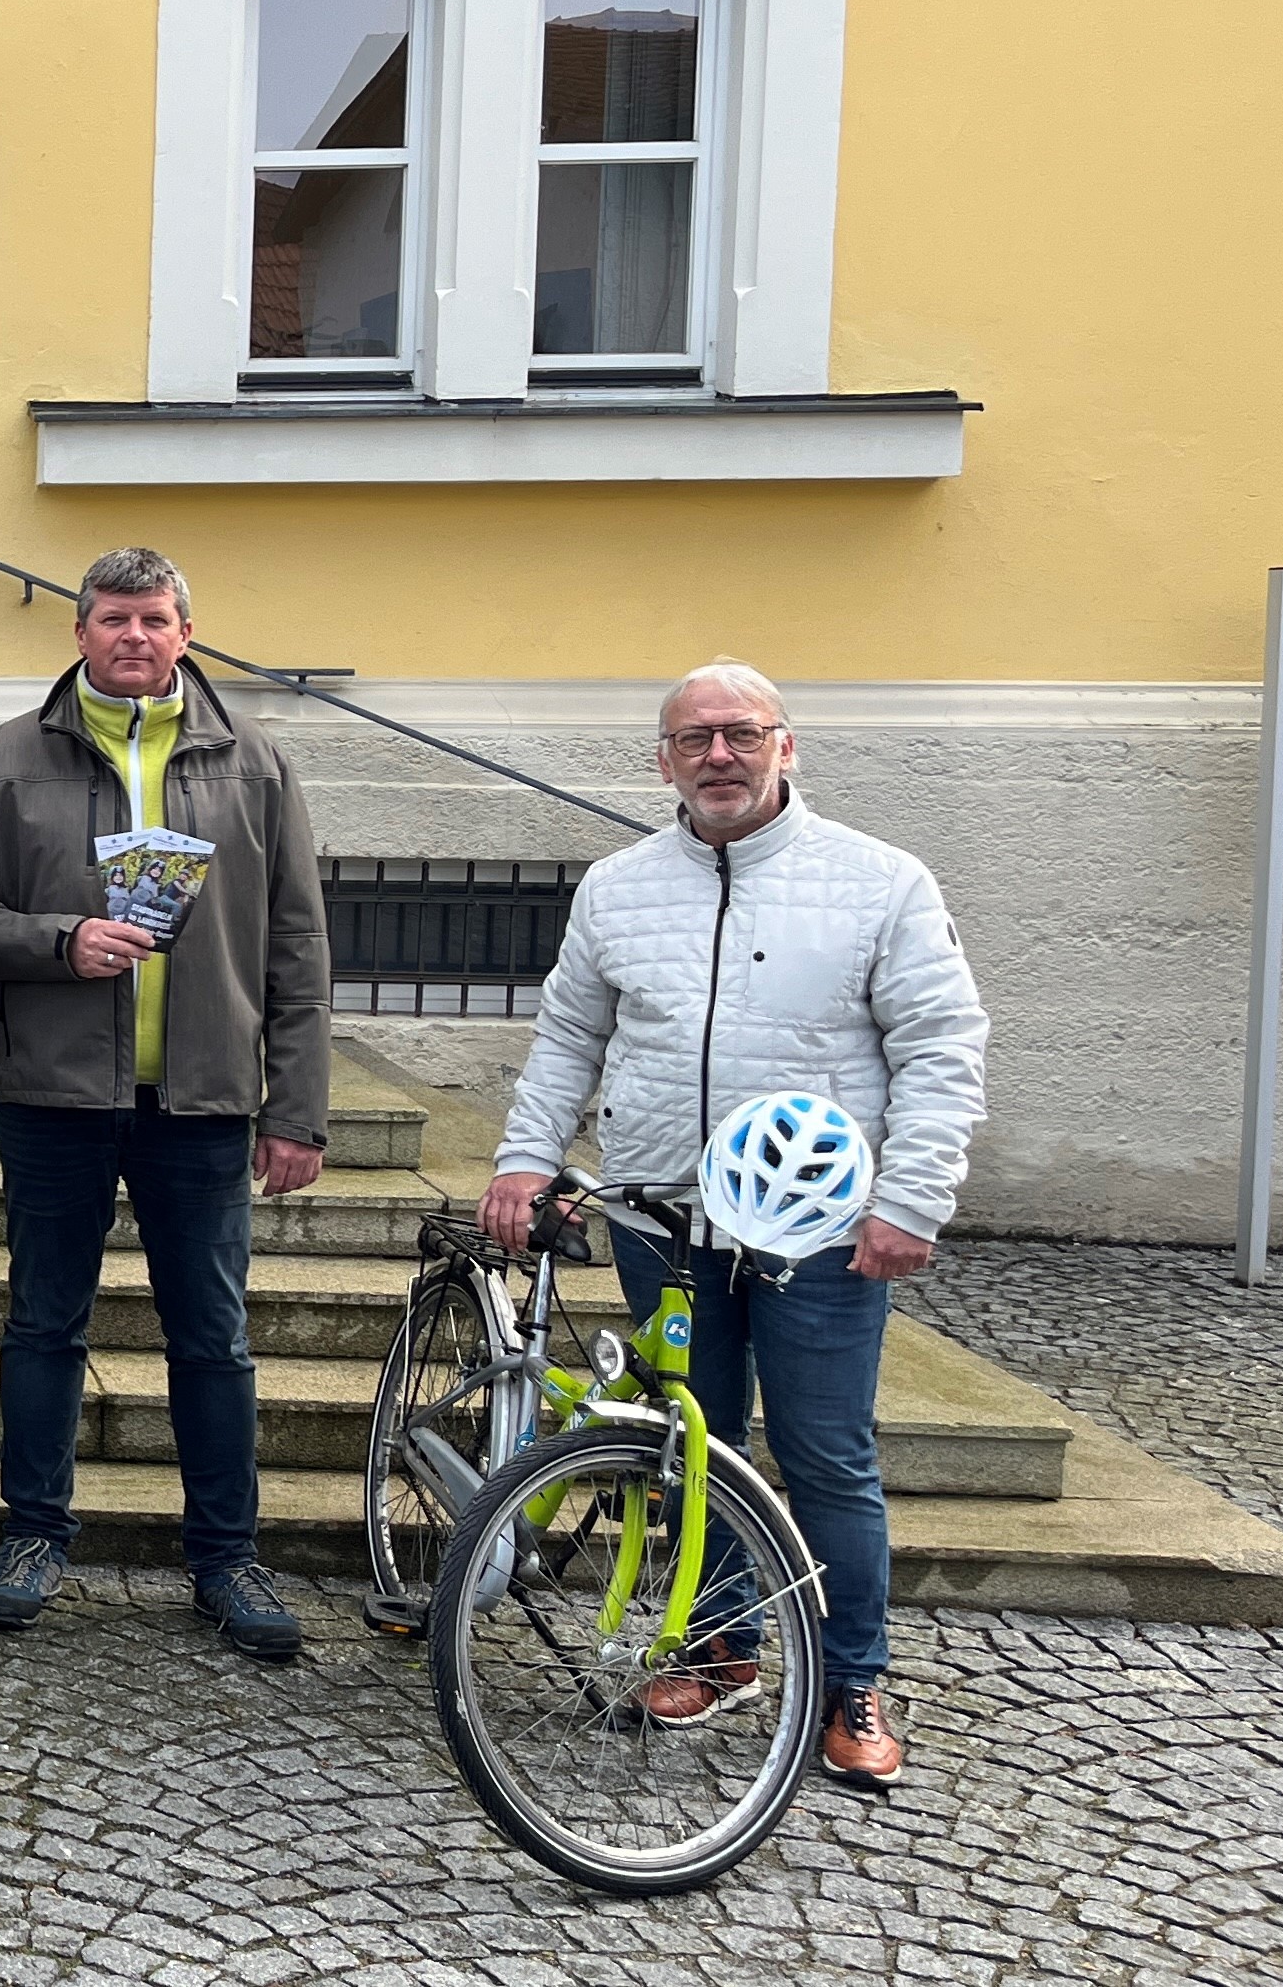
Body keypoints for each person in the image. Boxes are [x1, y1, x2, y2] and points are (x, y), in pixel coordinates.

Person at [481, 660, 986, 1792]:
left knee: (825, 1457)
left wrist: (912, 1199)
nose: (718, 754)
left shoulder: (880, 881)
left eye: (740, 733)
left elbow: (942, 1049)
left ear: (784, 746)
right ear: (662, 760)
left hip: (819, 1224)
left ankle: (852, 1679)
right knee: (684, 1446)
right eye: (694, 737)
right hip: (664, 1215)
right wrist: (526, 1154)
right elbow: (568, 1036)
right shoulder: (617, 885)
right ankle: (721, 1646)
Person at [0, 546, 330, 1661]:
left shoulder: (256, 763)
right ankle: (34, 1533)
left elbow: (295, 941)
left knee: (213, 1337)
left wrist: (296, 1107)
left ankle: (226, 1557)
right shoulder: (10, 758)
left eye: (153, 618)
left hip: (202, 1098)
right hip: (54, 1091)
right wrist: (61, 939)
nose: (133, 637)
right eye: (112, 619)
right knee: (44, 1321)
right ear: (80, 630)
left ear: (185, 633)